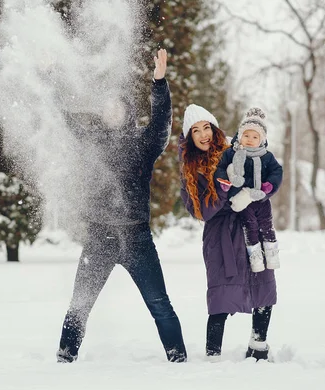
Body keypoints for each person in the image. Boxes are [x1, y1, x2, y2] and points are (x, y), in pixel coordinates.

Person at [57, 49, 188, 363]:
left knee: (160, 304)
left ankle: (178, 359)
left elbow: (162, 123)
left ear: (128, 111)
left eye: (119, 106)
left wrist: (159, 83)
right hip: (99, 238)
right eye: (107, 107)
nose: (112, 111)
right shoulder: (91, 142)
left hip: (137, 239)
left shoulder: (143, 143)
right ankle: (64, 358)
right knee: (80, 304)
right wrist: (51, 77)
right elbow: (62, 117)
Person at [179, 104, 277, 361]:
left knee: (262, 285)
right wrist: (223, 190)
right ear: (189, 137)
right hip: (220, 235)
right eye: (196, 131)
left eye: (207, 127)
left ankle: (258, 346)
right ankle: (213, 355)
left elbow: (265, 174)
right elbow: (202, 212)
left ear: (214, 128)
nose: (203, 135)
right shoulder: (191, 170)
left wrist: (265, 188)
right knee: (221, 295)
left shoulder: (236, 149)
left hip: (251, 224)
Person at [215, 107, 283, 272]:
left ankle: (272, 253)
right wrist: (224, 181)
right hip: (243, 199)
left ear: (262, 139)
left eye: (255, 136)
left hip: (260, 197)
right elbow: (221, 168)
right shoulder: (232, 153)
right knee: (250, 226)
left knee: (267, 224)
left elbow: (277, 171)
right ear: (239, 135)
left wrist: (270, 186)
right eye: (246, 135)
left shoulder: (266, 156)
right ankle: (255, 257)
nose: (250, 139)